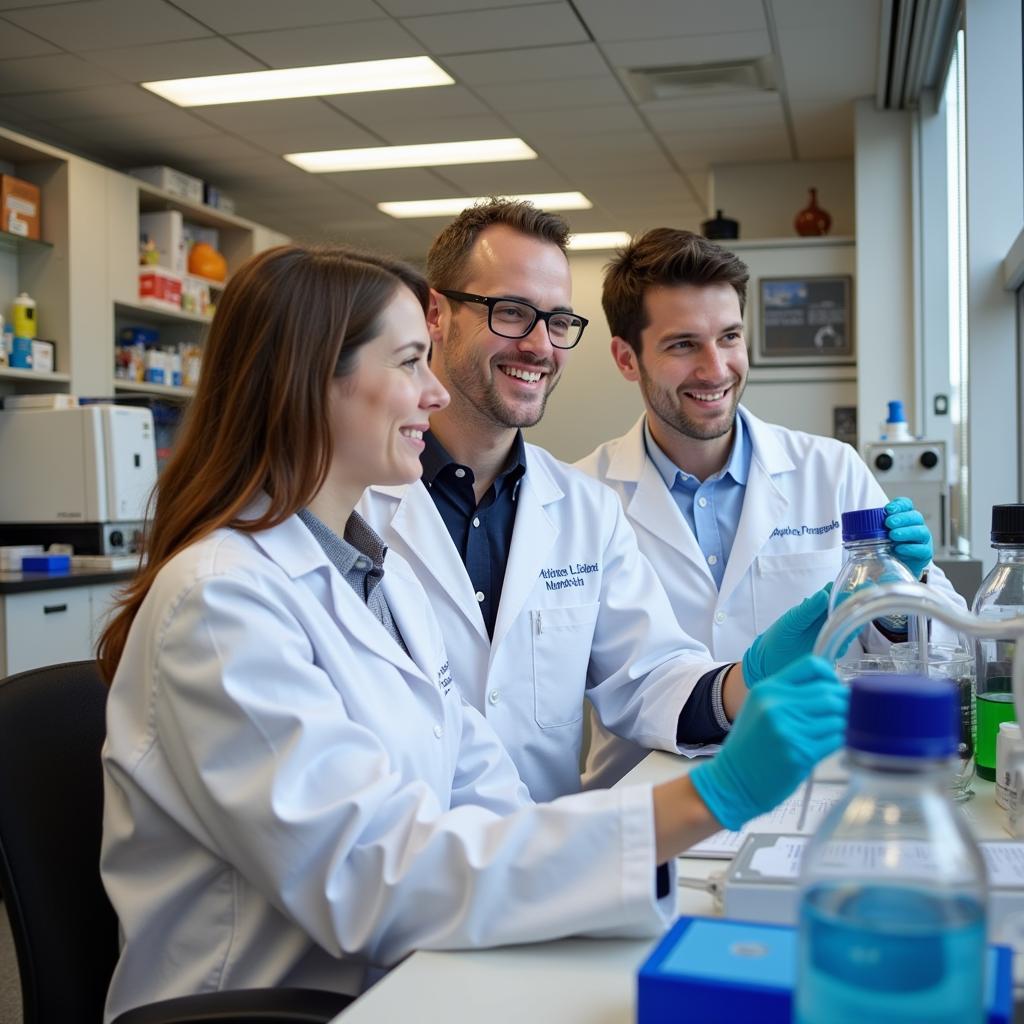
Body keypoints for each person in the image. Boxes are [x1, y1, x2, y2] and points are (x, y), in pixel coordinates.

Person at [96, 243, 846, 1018]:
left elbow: (482, 789)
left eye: (557, 320)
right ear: (310, 380)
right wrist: (703, 800)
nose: (431, 393)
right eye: (410, 361)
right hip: (285, 1002)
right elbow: (365, 874)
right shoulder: (222, 603)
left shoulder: (371, 574)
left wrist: (731, 698)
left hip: (424, 960)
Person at [357, 200, 839, 803]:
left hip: (548, 863)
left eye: (558, 321)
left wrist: (751, 681)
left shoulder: (585, 511)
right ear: (435, 313)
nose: (539, 346)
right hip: (395, 868)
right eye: (511, 313)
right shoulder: (350, 505)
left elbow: (646, 680)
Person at [577, 227, 967, 788]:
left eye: (730, 337)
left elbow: (948, 650)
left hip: (820, 782)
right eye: (683, 344)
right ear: (625, 357)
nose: (716, 369)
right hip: (649, 799)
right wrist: (748, 679)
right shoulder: (582, 498)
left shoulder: (830, 470)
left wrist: (901, 609)